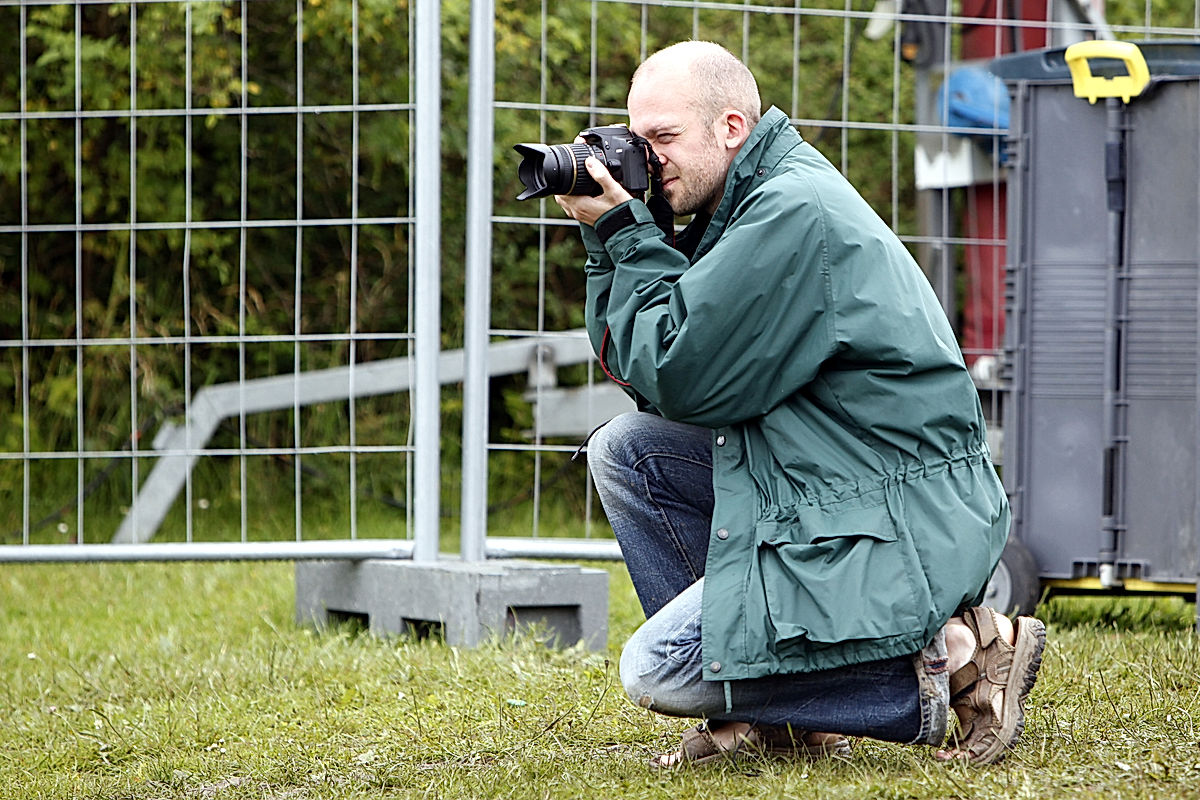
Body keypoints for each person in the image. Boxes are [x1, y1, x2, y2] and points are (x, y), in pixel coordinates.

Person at [554, 40, 1046, 768]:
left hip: (894, 513)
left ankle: (962, 656)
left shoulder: (790, 211)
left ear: (731, 127)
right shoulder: (737, 206)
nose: (647, 159)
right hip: (822, 481)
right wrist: (611, 242)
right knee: (631, 452)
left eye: (663, 138)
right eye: (638, 138)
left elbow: (683, 377)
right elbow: (653, 383)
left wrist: (624, 236)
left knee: (657, 670)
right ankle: (770, 720)